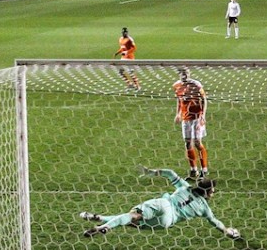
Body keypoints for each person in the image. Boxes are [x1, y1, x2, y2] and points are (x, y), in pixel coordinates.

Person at [79, 166, 240, 240]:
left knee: (132, 216)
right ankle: (100, 220)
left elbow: (170, 173)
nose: (213, 193)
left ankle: (103, 224)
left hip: (164, 204)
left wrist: (150, 172)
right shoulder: (204, 208)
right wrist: (227, 231)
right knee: (131, 223)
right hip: (167, 221)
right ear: (206, 193)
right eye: (212, 191)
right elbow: (215, 222)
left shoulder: (185, 187)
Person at [174, 67, 208, 178]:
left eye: (187, 73)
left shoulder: (196, 85)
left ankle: (204, 170)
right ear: (179, 74)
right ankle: (193, 170)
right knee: (188, 143)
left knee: (197, 142)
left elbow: (204, 100)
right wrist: (178, 113)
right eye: (183, 73)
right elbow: (179, 100)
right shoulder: (177, 85)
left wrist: (203, 116)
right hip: (185, 118)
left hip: (197, 117)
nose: (185, 75)